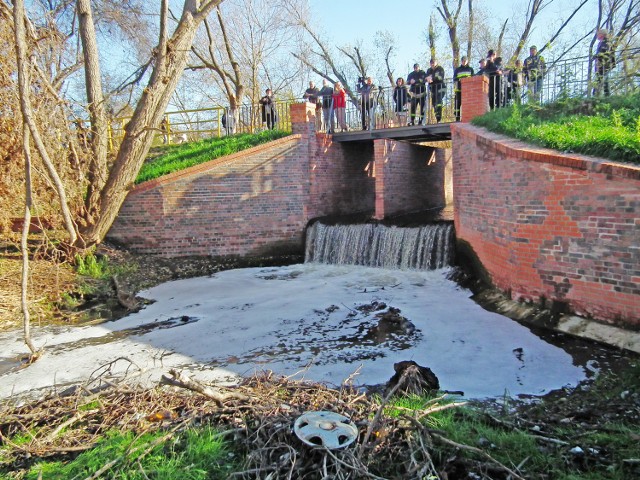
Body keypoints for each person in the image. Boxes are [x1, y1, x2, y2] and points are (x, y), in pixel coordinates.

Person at [595, 29, 615, 97]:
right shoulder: (600, 43)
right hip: (600, 65)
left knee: (603, 80)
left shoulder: (606, 42)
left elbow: (606, 52)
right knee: (600, 80)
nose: (597, 35)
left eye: (598, 34)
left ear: (602, 34)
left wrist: (598, 56)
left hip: (604, 64)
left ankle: (604, 96)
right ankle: (597, 95)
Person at [453, 56, 474, 121]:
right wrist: (460, 79)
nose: (464, 62)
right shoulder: (457, 69)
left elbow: (473, 78)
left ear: (467, 61)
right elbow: (454, 78)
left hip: (468, 89)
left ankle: (467, 117)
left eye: (465, 61)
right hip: (459, 89)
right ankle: (457, 118)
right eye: (463, 61)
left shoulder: (470, 69)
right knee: (457, 104)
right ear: (461, 61)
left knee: (467, 104)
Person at [426, 58, 446, 122]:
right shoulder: (429, 70)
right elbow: (425, 78)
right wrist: (427, 79)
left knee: (438, 102)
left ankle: (439, 118)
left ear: (436, 62)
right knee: (434, 103)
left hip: (440, 88)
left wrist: (432, 78)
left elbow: (440, 77)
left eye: (433, 62)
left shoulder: (440, 69)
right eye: (431, 63)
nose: (432, 64)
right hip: (433, 89)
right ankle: (437, 117)